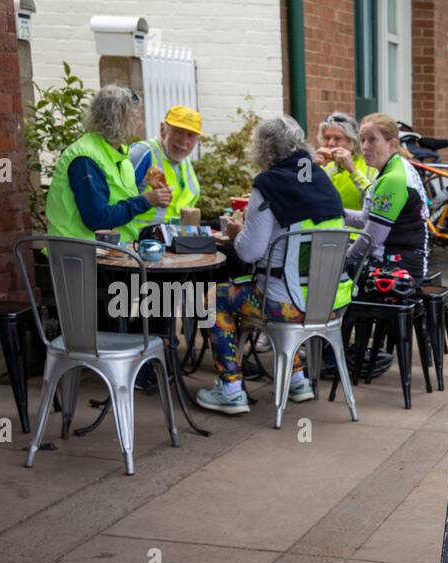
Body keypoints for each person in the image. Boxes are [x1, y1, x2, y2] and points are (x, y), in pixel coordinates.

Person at [196, 115, 349, 415]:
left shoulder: (268, 185)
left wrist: (235, 233)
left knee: (215, 299)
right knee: (273, 290)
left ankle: (230, 389)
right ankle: (297, 380)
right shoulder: (322, 179)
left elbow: (250, 253)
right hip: (329, 302)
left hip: (284, 304)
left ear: (265, 150)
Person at [45, 85, 171, 242]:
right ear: (118, 119)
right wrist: (145, 201)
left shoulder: (121, 154)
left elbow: (120, 208)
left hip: (112, 250)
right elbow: (97, 219)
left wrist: (155, 197)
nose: (140, 123)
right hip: (81, 255)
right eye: (136, 116)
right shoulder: (85, 157)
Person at [346, 113, 429, 284]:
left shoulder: (392, 179)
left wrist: (345, 259)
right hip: (407, 260)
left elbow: (372, 240)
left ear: (392, 144)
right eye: (362, 140)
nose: (364, 147)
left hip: (397, 266)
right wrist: (334, 213)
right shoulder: (397, 165)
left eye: (372, 140)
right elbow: (367, 220)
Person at [130, 105, 203, 226]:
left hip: (180, 241)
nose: (184, 141)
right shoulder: (143, 153)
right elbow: (115, 203)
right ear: (162, 130)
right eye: (178, 132)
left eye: (191, 135)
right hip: (139, 242)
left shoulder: (185, 160)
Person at [315, 112, 377, 210]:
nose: (330, 143)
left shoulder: (370, 164)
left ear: (352, 140)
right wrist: (312, 168)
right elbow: (301, 194)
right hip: (328, 224)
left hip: (361, 224)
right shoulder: (322, 162)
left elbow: (377, 201)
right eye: (327, 138)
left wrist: (353, 171)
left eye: (338, 138)